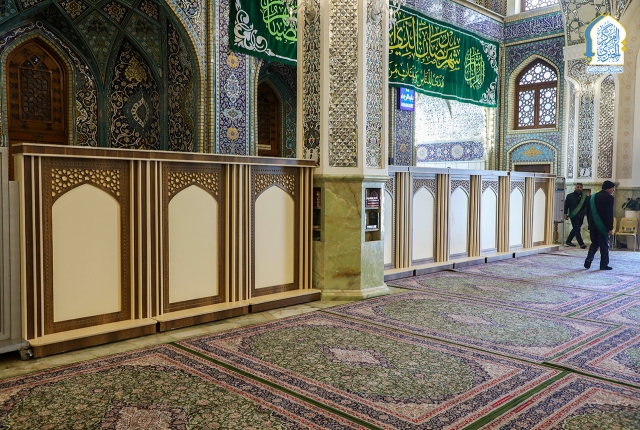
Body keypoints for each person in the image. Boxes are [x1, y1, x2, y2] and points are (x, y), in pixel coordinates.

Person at [584, 180, 615, 270]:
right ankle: (603, 265)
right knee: (604, 245)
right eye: (613, 188)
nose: (613, 190)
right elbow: (609, 214)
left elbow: (588, 213)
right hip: (603, 227)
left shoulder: (592, 197)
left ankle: (589, 259)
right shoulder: (609, 198)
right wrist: (610, 228)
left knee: (594, 243)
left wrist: (590, 224)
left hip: (593, 225)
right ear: (608, 188)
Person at [564, 183, 588, 248]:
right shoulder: (569, 196)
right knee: (577, 229)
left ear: (582, 188)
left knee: (576, 228)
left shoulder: (584, 197)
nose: (579, 188)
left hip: (581, 215)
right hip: (573, 215)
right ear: (575, 188)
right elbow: (566, 206)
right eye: (578, 187)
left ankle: (568, 241)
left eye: (580, 187)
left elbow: (587, 206)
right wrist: (565, 213)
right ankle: (581, 244)